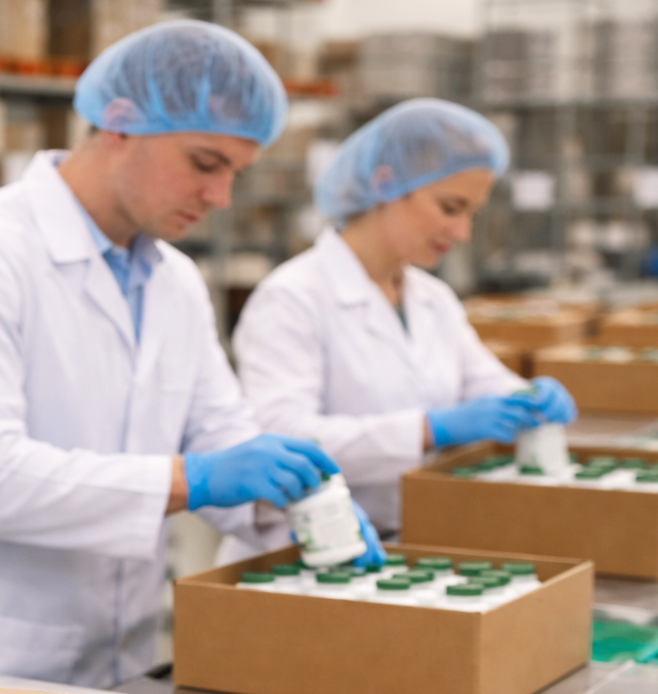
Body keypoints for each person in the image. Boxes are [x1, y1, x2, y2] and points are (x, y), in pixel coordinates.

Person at [0, 21, 383, 690]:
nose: (220, 197)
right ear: (118, 125)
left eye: (236, 172)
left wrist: (292, 501)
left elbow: (217, 430)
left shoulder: (174, 279)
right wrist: (193, 480)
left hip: (126, 653)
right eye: (205, 164)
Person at [228, 98, 576, 541]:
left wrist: (526, 399)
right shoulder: (292, 298)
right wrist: (429, 430)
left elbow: (480, 382)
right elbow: (285, 436)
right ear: (386, 184)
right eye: (450, 208)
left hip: (414, 537)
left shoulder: (433, 298)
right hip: (306, 548)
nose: (462, 232)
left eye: (472, 213)